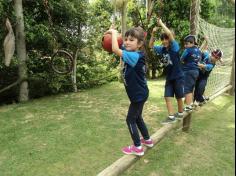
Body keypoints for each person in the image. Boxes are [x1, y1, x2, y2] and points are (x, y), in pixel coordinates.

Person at [105, 26, 153, 156]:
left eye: (131, 40)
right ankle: (147, 140)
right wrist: (113, 33)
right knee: (137, 118)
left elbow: (115, 49)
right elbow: (118, 45)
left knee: (130, 119)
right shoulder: (133, 53)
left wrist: (114, 33)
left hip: (138, 95)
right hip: (140, 93)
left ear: (140, 44)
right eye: (126, 39)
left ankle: (137, 147)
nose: (126, 42)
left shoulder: (134, 56)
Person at [149, 18, 184, 124]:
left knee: (179, 97)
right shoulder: (162, 49)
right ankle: (171, 116)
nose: (164, 41)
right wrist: (153, 34)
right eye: (163, 39)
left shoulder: (175, 47)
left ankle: (181, 113)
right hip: (169, 77)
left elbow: (168, 33)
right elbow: (150, 46)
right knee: (167, 96)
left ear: (170, 39)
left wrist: (161, 23)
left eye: (166, 39)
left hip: (178, 76)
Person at [181, 35, 202, 112]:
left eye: (186, 44)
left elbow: (181, 59)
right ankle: (189, 103)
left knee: (187, 89)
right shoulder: (198, 51)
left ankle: (189, 106)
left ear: (192, 43)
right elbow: (198, 60)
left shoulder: (187, 50)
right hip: (196, 71)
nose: (185, 46)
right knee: (190, 87)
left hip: (188, 71)